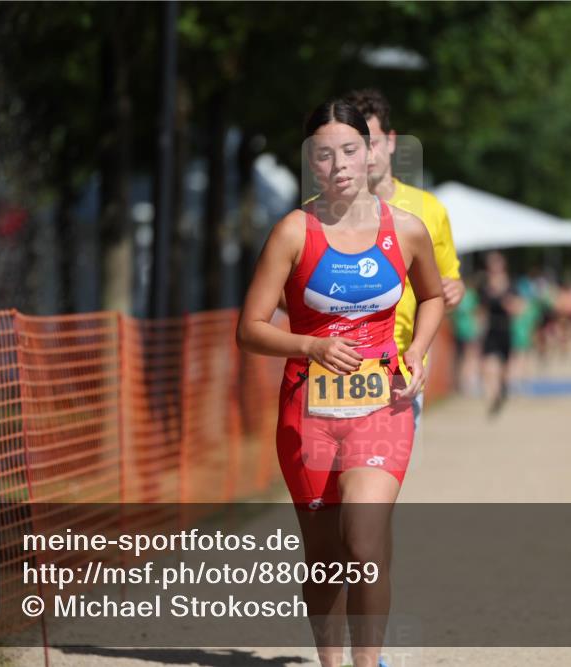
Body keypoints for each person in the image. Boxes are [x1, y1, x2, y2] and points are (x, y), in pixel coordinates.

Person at [236, 99, 444, 667]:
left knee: (364, 545)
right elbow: (249, 330)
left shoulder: (407, 229)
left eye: (351, 150)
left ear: (371, 151)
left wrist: (418, 352)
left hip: (384, 406)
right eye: (324, 155)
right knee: (325, 561)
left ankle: (365, 663)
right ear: (311, 163)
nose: (340, 165)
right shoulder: (292, 233)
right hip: (308, 411)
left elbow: (431, 295)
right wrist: (312, 345)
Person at [342, 89, 464, 428]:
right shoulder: (318, 208)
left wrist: (455, 289)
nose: (365, 156)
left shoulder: (429, 210)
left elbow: (446, 285)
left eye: (373, 143)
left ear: (392, 142)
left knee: (381, 475)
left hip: (401, 367)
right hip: (335, 366)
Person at [480, 252, 516, 415]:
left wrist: (506, 301)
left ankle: (502, 389)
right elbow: (481, 308)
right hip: (491, 329)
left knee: (503, 367)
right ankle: (492, 396)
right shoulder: (485, 285)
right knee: (489, 365)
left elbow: (516, 307)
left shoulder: (510, 284)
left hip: (505, 329)